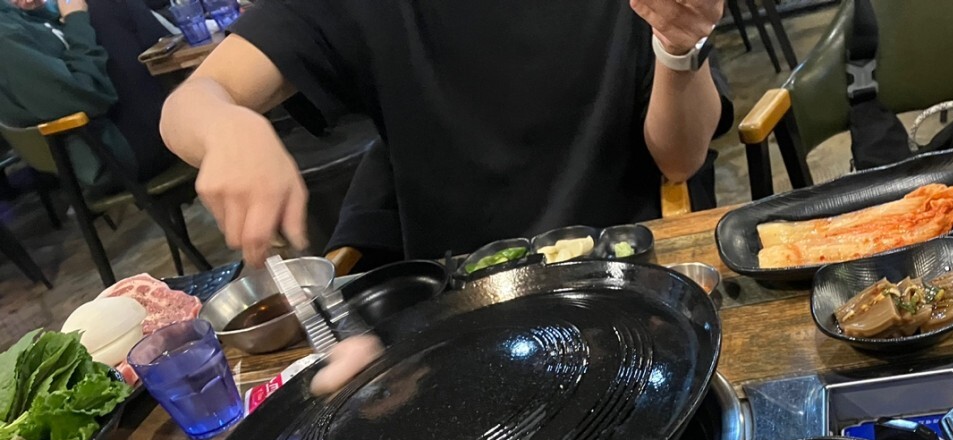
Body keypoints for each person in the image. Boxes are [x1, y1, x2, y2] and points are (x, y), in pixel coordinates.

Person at [160, 0, 731, 269]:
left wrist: (678, 47)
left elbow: (679, 160)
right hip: (460, 301)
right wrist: (226, 127)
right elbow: (193, 101)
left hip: (626, 266)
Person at [0, 0, 172, 190]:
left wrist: (56, 9)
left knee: (104, 9)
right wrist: (76, 19)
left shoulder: (8, 16)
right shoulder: (5, 37)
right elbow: (86, 96)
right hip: (113, 154)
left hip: (108, 139)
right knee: (105, 8)